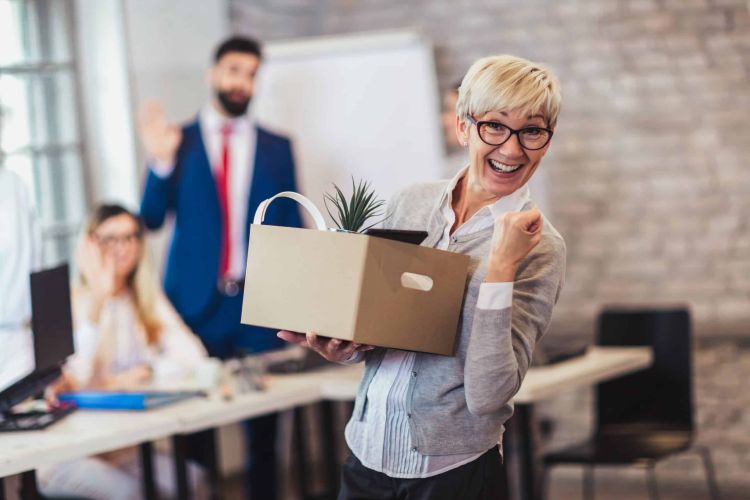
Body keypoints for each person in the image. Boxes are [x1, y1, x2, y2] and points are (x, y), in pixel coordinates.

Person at [279, 54, 566, 499]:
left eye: (532, 130)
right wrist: (344, 348)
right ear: (463, 127)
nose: (512, 150)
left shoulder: (539, 246)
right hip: (366, 454)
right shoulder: (411, 202)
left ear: (546, 140)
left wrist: (501, 269)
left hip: (453, 473)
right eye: (495, 125)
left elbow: (489, 397)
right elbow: (381, 328)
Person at [138, 35, 302, 499]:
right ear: (213, 73)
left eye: (251, 74)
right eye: (233, 70)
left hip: (259, 305)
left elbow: (294, 228)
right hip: (194, 306)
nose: (241, 82)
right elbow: (149, 218)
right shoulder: (178, 141)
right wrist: (161, 161)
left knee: (265, 433)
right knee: (195, 431)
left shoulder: (277, 147)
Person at [37, 204, 208, 500]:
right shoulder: (67, 302)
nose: (122, 248)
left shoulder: (142, 297)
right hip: (68, 452)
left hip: (121, 446)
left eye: (130, 238)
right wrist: (99, 298)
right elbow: (72, 379)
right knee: (131, 493)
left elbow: (194, 355)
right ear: (89, 244)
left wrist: (148, 371)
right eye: (110, 239)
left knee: (193, 480)